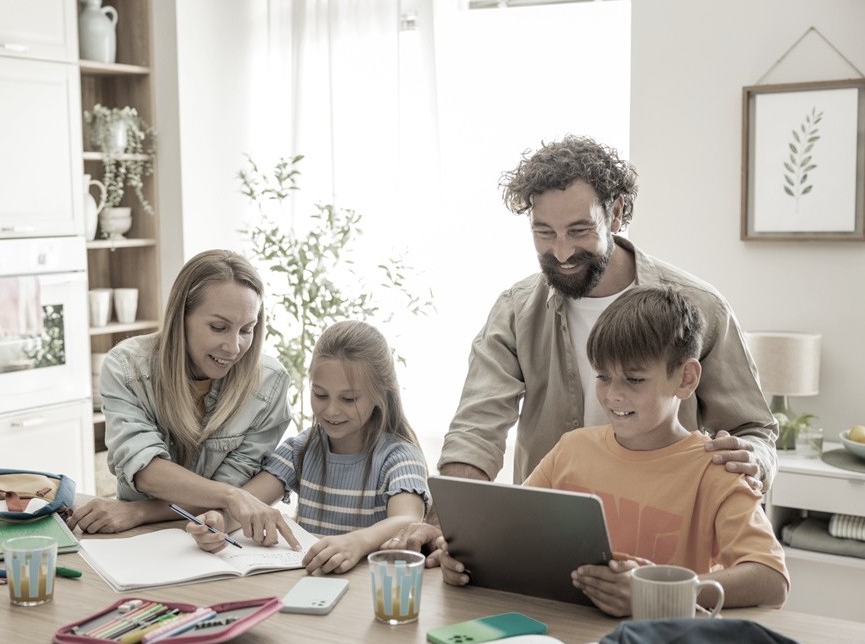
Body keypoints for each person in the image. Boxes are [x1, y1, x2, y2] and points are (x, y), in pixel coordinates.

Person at [391, 135, 777, 557]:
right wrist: (449, 520)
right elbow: (476, 429)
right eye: (544, 232)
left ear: (616, 214)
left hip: (660, 551)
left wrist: (751, 458)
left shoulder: (701, 307)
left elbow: (752, 429)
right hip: (548, 544)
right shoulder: (516, 311)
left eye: (578, 230)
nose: (561, 251)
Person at [441, 285, 790, 616]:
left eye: (634, 380)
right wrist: (465, 559)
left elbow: (771, 579)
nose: (614, 395)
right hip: (566, 631)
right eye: (603, 377)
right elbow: (509, 535)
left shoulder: (716, 468)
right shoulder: (571, 449)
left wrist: (656, 592)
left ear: (685, 379)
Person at [68, 249, 298, 547]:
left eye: (247, 329)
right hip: (136, 540)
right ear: (181, 317)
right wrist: (231, 497)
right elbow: (146, 470)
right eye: (218, 327)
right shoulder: (126, 368)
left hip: (209, 535)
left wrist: (138, 511)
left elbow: (231, 484)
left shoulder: (269, 382)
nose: (234, 347)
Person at [187, 320, 431, 575]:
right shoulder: (300, 449)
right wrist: (217, 522)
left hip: (368, 588)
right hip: (310, 581)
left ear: (380, 395)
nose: (332, 410)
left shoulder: (399, 457)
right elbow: (246, 505)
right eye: (320, 394)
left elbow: (408, 520)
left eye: (349, 399)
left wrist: (357, 542)